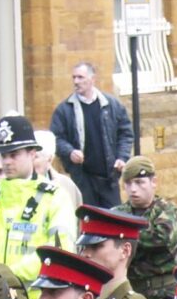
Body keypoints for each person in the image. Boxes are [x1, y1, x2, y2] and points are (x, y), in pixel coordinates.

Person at [0, 114, 78, 284]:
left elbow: (60, 250)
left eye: (14, 155)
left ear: (32, 154)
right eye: (3, 155)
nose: (7, 161)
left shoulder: (55, 197)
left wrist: (9, 276)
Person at [48, 62, 134, 208]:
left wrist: (122, 157)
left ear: (92, 79)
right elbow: (56, 138)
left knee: (114, 219)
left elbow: (125, 133)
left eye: (80, 77)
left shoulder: (112, 105)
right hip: (83, 178)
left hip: (109, 178)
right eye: (74, 77)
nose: (76, 82)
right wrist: (70, 152)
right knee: (88, 220)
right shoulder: (64, 110)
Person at [122, 157, 177, 299]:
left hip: (161, 296)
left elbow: (162, 238)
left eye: (140, 182)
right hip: (130, 292)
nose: (133, 189)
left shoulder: (166, 210)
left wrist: (123, 236)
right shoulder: (119, 212)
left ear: (153, 182)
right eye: (129, 183)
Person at [32, 130, 82, 215]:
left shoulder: (67, 186)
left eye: (35, 157)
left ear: (49, 159)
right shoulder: (15, 185)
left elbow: (77, 222)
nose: (30, 162)